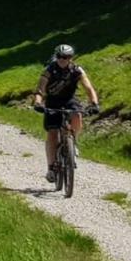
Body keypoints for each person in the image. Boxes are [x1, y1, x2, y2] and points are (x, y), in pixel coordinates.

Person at [33, 44, 100, 183]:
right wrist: (38, 102)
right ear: (56, 56)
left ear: (71, 58)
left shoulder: (76, 70)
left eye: (67, 57)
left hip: (69, 100)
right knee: (52, 133)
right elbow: (40, 88)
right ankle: (51, 167)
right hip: (52, 102)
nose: (63, 60)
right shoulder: (50, 69)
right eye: (60, 57)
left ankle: (72, 142)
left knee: (77, 115)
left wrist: (94, 103)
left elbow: (88, 87)